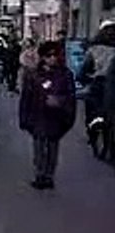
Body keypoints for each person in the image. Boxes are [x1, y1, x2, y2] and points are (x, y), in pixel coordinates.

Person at [19, 41, 77, 189]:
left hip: (56, 117)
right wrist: (24, 117)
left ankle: (49, 176)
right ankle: (40, 174)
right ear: (43, 57)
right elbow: (26, 97)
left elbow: (71, 96)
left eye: (55, 55)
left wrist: (60, 102)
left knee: (52, 147)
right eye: (48, 55)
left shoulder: (65, 74)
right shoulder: (34, 75)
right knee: (39, 147)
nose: (52, 58)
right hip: (38, 115)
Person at [79, 20, 115, 149]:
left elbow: (84, 69)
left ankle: (92, 131)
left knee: (92, 110)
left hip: (98, 84)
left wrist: (82, 78)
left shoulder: (93, 50)